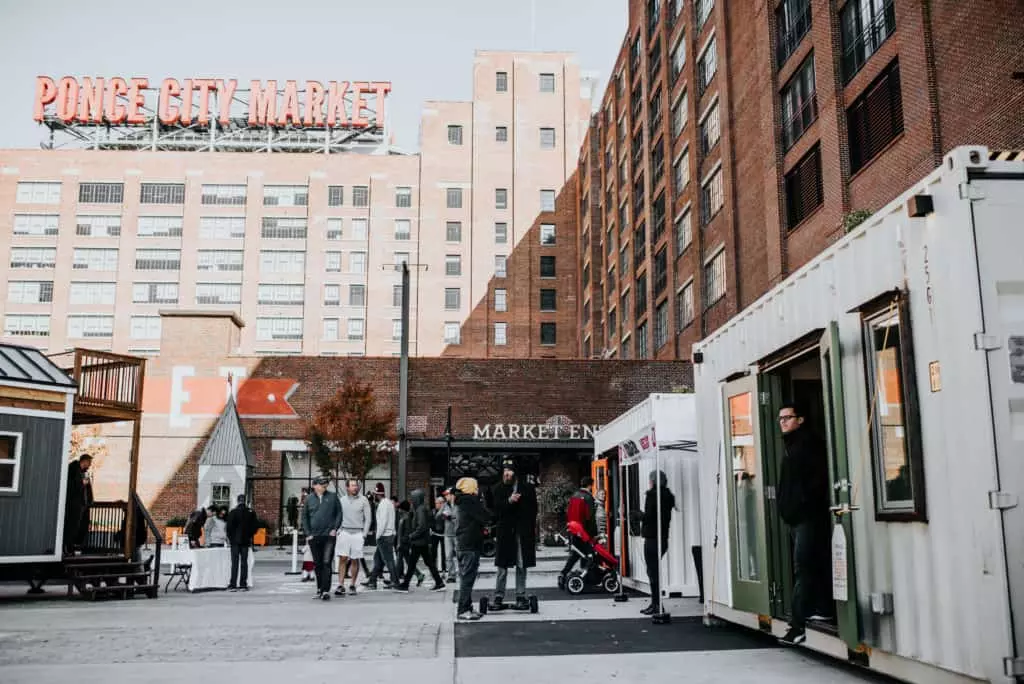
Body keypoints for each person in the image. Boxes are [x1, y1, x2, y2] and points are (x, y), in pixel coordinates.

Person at [776, 402, 834, 646]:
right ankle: (821, 607)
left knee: (804, 567)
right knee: (813, 564)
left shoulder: (808, 445)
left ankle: (797, 626)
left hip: (807, 517)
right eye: (780, 419)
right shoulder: (792, 445)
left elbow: (817, 481)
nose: (783, 422)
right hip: (798, 518)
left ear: (801, 419)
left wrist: (801, 506)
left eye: (788, 418)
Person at [491, 458, 538, 609]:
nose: (507, 474)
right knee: (502, 566)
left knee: (521, 563)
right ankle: (498, 596)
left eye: (509, 471)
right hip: (505, 532)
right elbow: (495, 511)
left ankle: (520, 595)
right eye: (505, 471)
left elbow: (533, 511)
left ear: (515, 473)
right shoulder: (497, 489)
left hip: (521, 532)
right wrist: (509, 501)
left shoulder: (527, 489)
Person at [394, 489, 445, 592]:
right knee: (428, 563)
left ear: (417, 499)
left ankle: (405, 585)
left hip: (419, 541)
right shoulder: (420, 509)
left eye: (413, 499)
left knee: (412, 563)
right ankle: (439, 582)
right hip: (422, 541)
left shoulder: (420, 510)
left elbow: (422, 526)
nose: (412, 501)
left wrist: (412, 536)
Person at [302, 476, 343, 601]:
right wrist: (308, 533)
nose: (324, 486)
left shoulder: (332, 497)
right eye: (321, 484)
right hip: (314, 536)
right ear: (314, 485)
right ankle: (319, 588)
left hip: (329, 536)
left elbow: (339, 513)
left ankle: (326, 590)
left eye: (325, 485)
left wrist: (335, 528)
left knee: (326, 562)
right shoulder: (309, 499)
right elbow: (305, 518)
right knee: (318, 563)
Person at [641, 470, 676, 616]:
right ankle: (656, 603)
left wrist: (638, 515)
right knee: (654, 571)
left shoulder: (652, 495)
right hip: (663, 537)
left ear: (653, 481)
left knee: (652, 572)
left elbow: (649, 517)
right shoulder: (668, 496)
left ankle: (656, 604)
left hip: (652, 538)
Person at [454, 477, 489, 621]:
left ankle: (467, 607)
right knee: (468, 579)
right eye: (475, 486)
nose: (477, 489)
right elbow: (485, 516)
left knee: (465, 577)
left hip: (463, 544)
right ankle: (463, 609)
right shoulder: (470, 501)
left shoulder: (461, 501)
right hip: (470, 545)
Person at [334, 479, 372, 596]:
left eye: (356, 485)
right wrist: (338, 530)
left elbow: (368, 518)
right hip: (344, 532)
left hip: (358, 533)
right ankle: (340, 585)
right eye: (352, 485)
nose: (355, 487)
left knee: (355, 559)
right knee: (343, 559)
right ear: (347, 487)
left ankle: (352, 585)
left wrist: (364, 534)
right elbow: (337, 516)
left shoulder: (364, 500)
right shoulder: (342, 500)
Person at [560, 475, 597, 583]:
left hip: (574, 529)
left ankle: (564, 573)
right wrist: (593, 533)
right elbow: (589, 517)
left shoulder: (574, 495)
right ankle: (585, 575)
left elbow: (569, 512)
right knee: (589, 554)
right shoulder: (588, 498)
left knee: (576, 554)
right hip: (584, 531)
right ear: (590, 485)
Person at [363, 483, 399, 589]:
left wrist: (377, 536)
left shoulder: (383, 505)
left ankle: (395, 581)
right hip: (389, 534)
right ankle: (372, 581)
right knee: (377, 559)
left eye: (375, 494)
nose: (374, 496)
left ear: (378, 494)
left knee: (388, 560)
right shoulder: (388, 503)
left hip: (384, 536)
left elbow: (382, 522)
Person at [225, 495, 259, 592]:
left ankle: (233, 584)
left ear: (237, 501)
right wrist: (249, 535)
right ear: (245, 501)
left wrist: (231, 538)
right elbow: (255, 527)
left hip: (235, 542)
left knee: (234, 563)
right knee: (244, 563)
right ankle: (243, 584)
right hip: (245, 541)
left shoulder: (233, 512)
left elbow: (229, 528)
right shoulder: (251, 513)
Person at [63, 454, 93, 553]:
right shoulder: (73, 469)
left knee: (80, 527)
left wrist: (89, 500)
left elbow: (87, 488)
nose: (90, 465)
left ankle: (74, 546)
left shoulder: (85, 473)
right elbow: (70, 486)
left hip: (82, 505)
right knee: (71, 526)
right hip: (73, 504)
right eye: (89, 462)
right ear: (84, 461)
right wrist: (82, 483)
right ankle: (68, 548)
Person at [442, 489, 458, 581]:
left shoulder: (458, 505)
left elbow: (457, 518)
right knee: (448, 556)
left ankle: (462, 572)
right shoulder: (445, 505)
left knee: (459, 554)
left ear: (452, 495)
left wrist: (451, 516)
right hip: (447, 534)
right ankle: (451, 575)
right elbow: (440, 516)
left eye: (447, 495)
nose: (446, 497)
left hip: (456, 534)